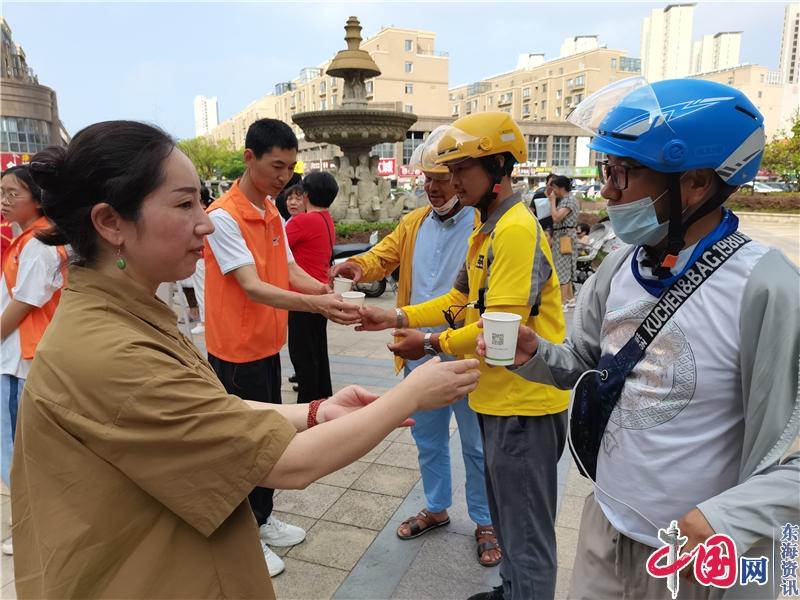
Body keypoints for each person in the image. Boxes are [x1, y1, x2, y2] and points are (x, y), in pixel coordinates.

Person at [12, 120, 481, 599]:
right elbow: (289, 464)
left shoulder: (126, 313)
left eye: (199, 198)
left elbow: (207, 413)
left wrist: (315, 411)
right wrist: (410, 393)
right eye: (183, 203)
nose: (205, 221)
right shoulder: (110, 351)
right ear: (111, 222)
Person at [479, 78, 799, 599]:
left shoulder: (766, 287)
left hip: (695, 559)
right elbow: (586, 360)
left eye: (620, 174)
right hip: (607, 527)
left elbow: (790, 457)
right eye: (606, 170)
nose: (605, 191)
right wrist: (535, 355)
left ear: (694, 183)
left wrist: (722, 518)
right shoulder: (623, 264)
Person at [359, 112, 569, 600]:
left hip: (524, 403)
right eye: (444, 174)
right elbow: (457, 305)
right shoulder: (485, 230)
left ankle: (525, 589)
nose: (450, 183)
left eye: (460, 171)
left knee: (528, 533)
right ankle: (513, 588)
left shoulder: (514, 230)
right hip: (497, 399)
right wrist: (397, 318)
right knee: (511, 518)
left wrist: (429, 344)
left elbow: (499, 333)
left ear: (498, 166)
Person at [330, 126, 499, 567]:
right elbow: (380, 256)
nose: (434, 186)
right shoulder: (413, 222)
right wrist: (353, 267)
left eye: (443, 177)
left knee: (478, 443)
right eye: (427, 177)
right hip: (417, 352)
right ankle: (438, 507)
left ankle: (485, 520)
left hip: (465, 352)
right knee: (427, 437)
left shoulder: (484, 226)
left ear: (462, 176)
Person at [203, 118, 363, 577]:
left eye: (291, 167)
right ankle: (244, 536)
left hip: (267, 345)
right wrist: (318, 306)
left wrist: (325, 295)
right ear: (248, 158)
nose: (285, 177)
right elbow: (253, 287)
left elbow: (288, 269)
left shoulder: (272, 211)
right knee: (243, 445)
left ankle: (263, 518)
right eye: (277, 166)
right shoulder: (223, 216)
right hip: (236, 351)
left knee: (269, 438)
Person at [0, 166, 66, 557]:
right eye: (2, 192)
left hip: (20, 361)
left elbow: (24, 304)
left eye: (12, 193)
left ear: (38, 199)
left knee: (17, 455)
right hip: (22, 357)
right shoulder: (29, 240)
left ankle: (31, 529)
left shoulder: (39, 243)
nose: (4, 200)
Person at [285, 172, 337, 403]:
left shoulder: (302, 221)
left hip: (302, 296)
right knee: (318, 352)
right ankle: (323, 399)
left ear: (306, 195)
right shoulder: (326, 218)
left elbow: (272, 246)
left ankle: (306, 407)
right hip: (321, 291)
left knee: (302, 355)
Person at [548, 175, 578, 310]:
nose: (552, 190)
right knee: (566, 266)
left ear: (561, 187)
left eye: (554, 187)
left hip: (565, 237)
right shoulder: (566, 200)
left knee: (562, 269)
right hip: (563, 236)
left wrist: (552, 202)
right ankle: (570, 299)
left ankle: (562, 303)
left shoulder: (568, 201)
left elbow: (556, 217)